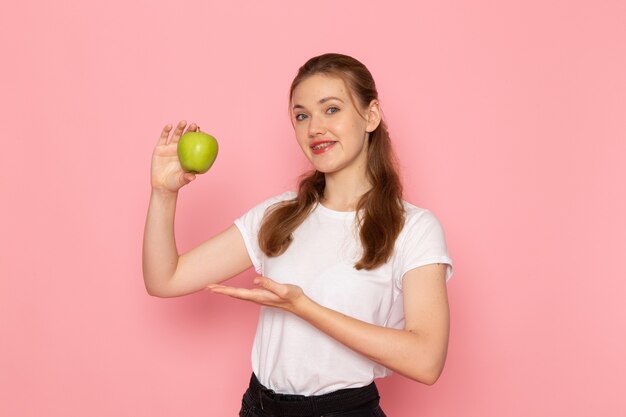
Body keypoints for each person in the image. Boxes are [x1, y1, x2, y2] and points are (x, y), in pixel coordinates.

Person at [143, 53, 453, 417]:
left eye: (331, 109)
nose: (314, 128)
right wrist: (164, 193)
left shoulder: (413, 227)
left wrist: (304, 308)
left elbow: (426, 360)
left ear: (371, 116)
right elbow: (165, 278)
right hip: (259, 407)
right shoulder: (279, 215)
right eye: (302, 116)